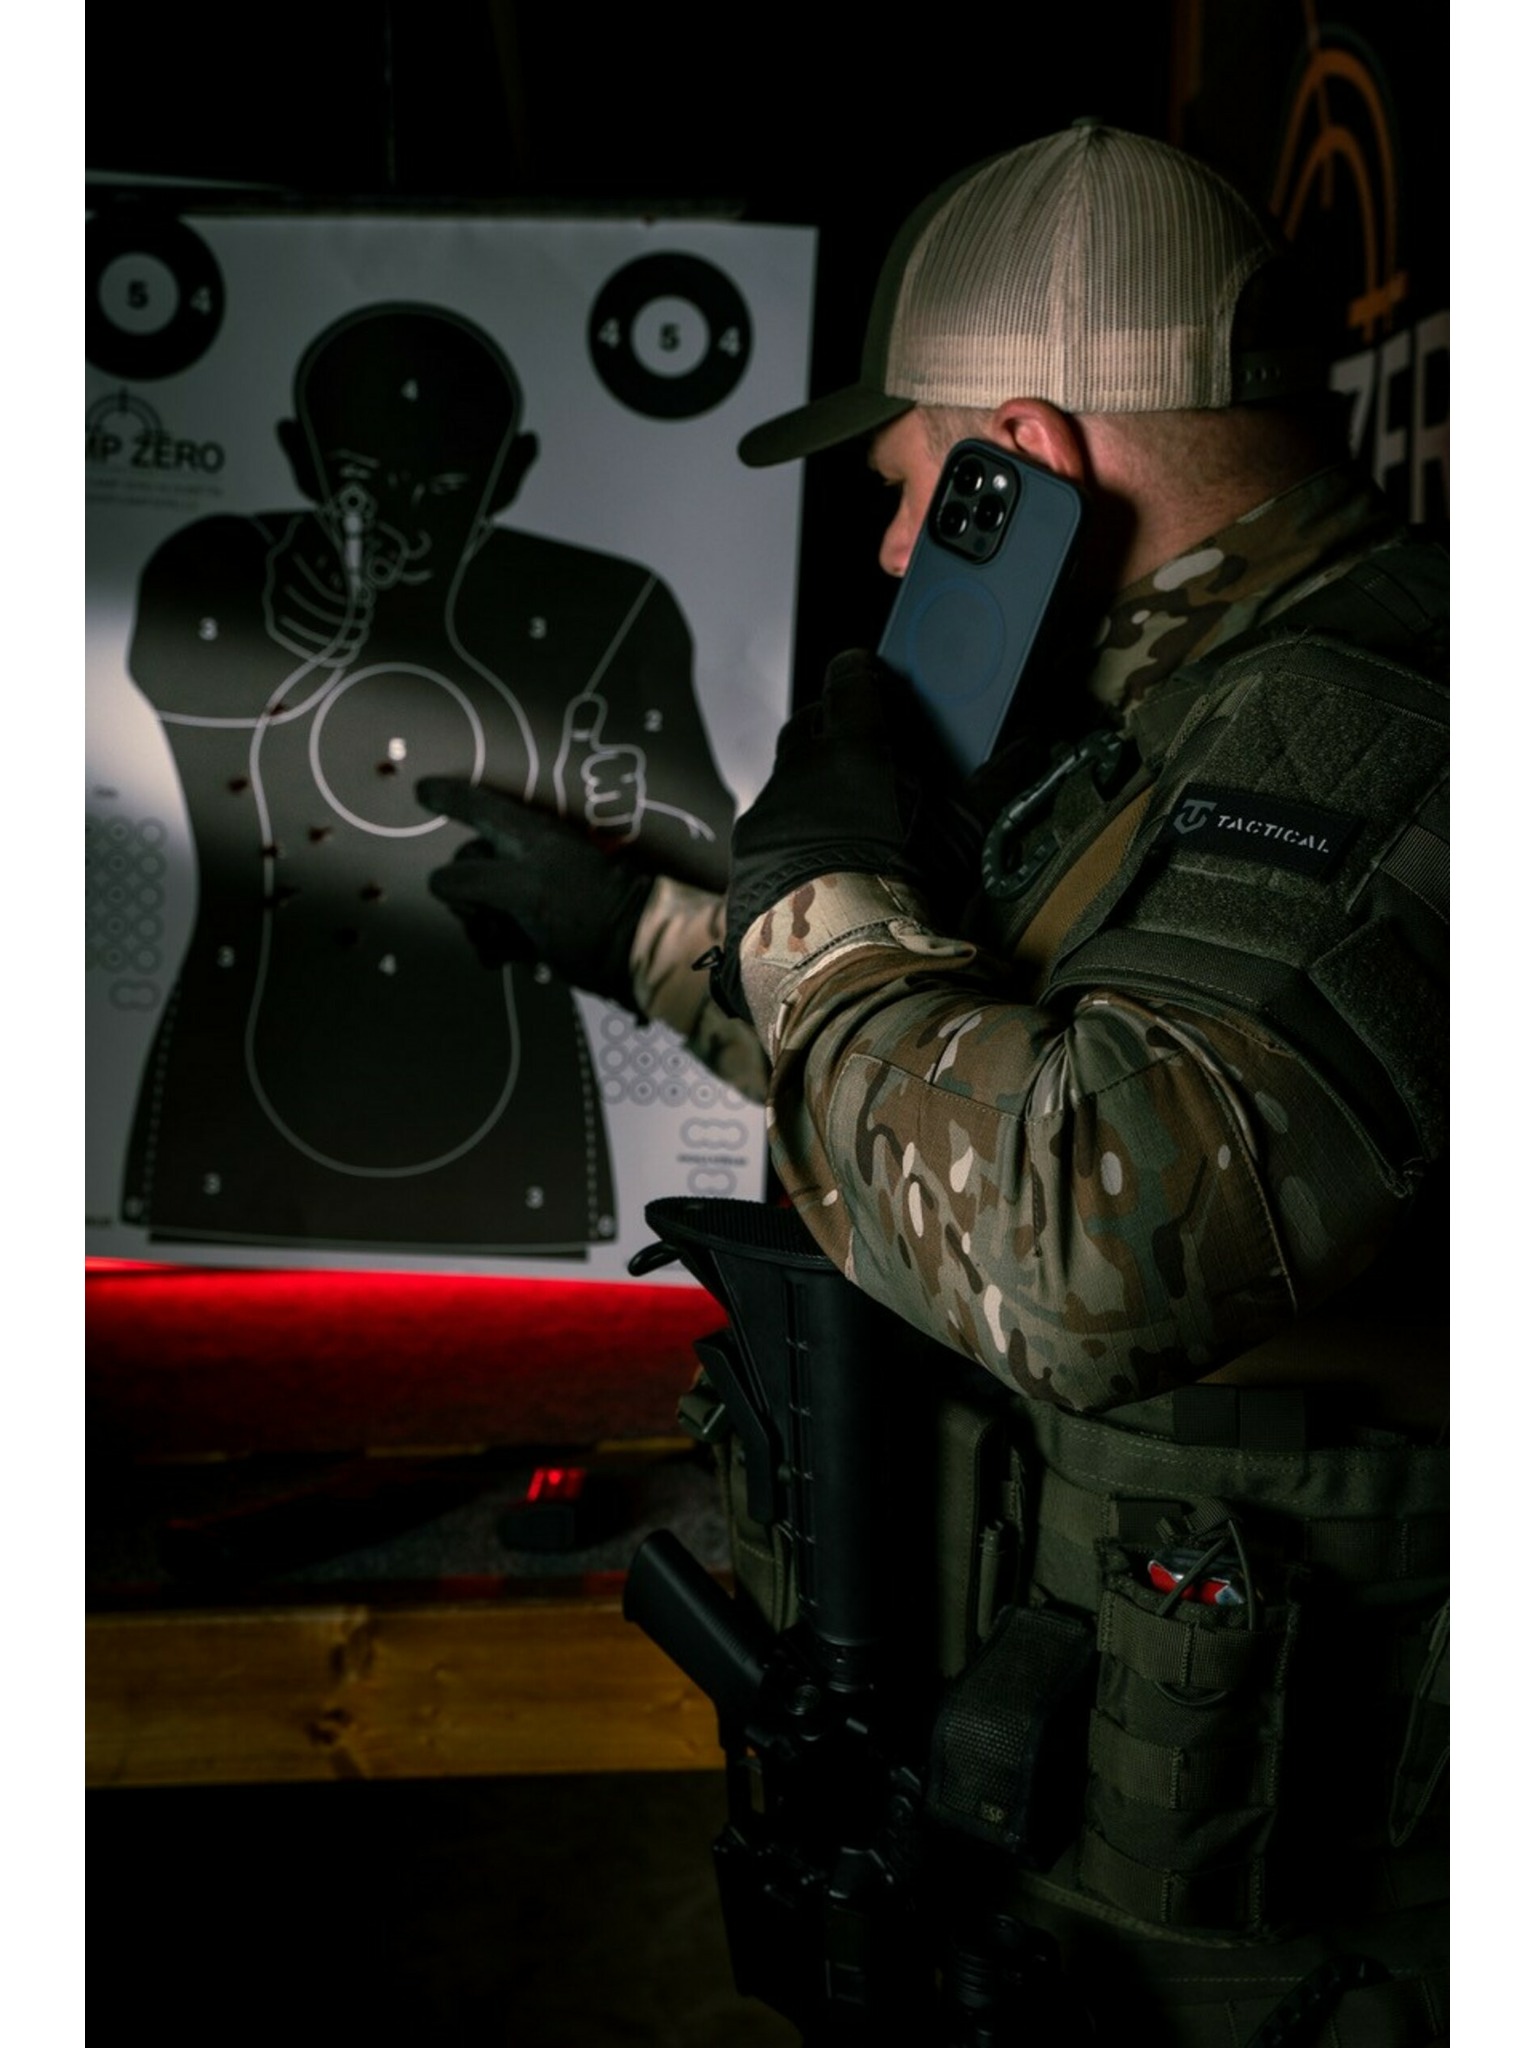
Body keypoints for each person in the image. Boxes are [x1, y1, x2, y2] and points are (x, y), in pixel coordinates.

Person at [428, 122, 1448, 2043]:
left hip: (1284, 1929)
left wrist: (816, 892)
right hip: (1094, 1807)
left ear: (1021, 458)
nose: (897, 552)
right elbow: (953, 1092)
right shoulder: (1177, 706)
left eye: (909, 491)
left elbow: (1073, 1245)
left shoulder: (1367, 725)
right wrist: (640, 933)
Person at [122, 301, 736, 1254]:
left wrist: (634, 829)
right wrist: (263, 628)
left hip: (504, 1094)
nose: (401, 519)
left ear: (509, 473)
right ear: (299, 458)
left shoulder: (609, 608)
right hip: (248, 1078)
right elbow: (173, 641)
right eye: (363, 484)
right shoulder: (222, 574)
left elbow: (715, 855)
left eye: (441, 486)